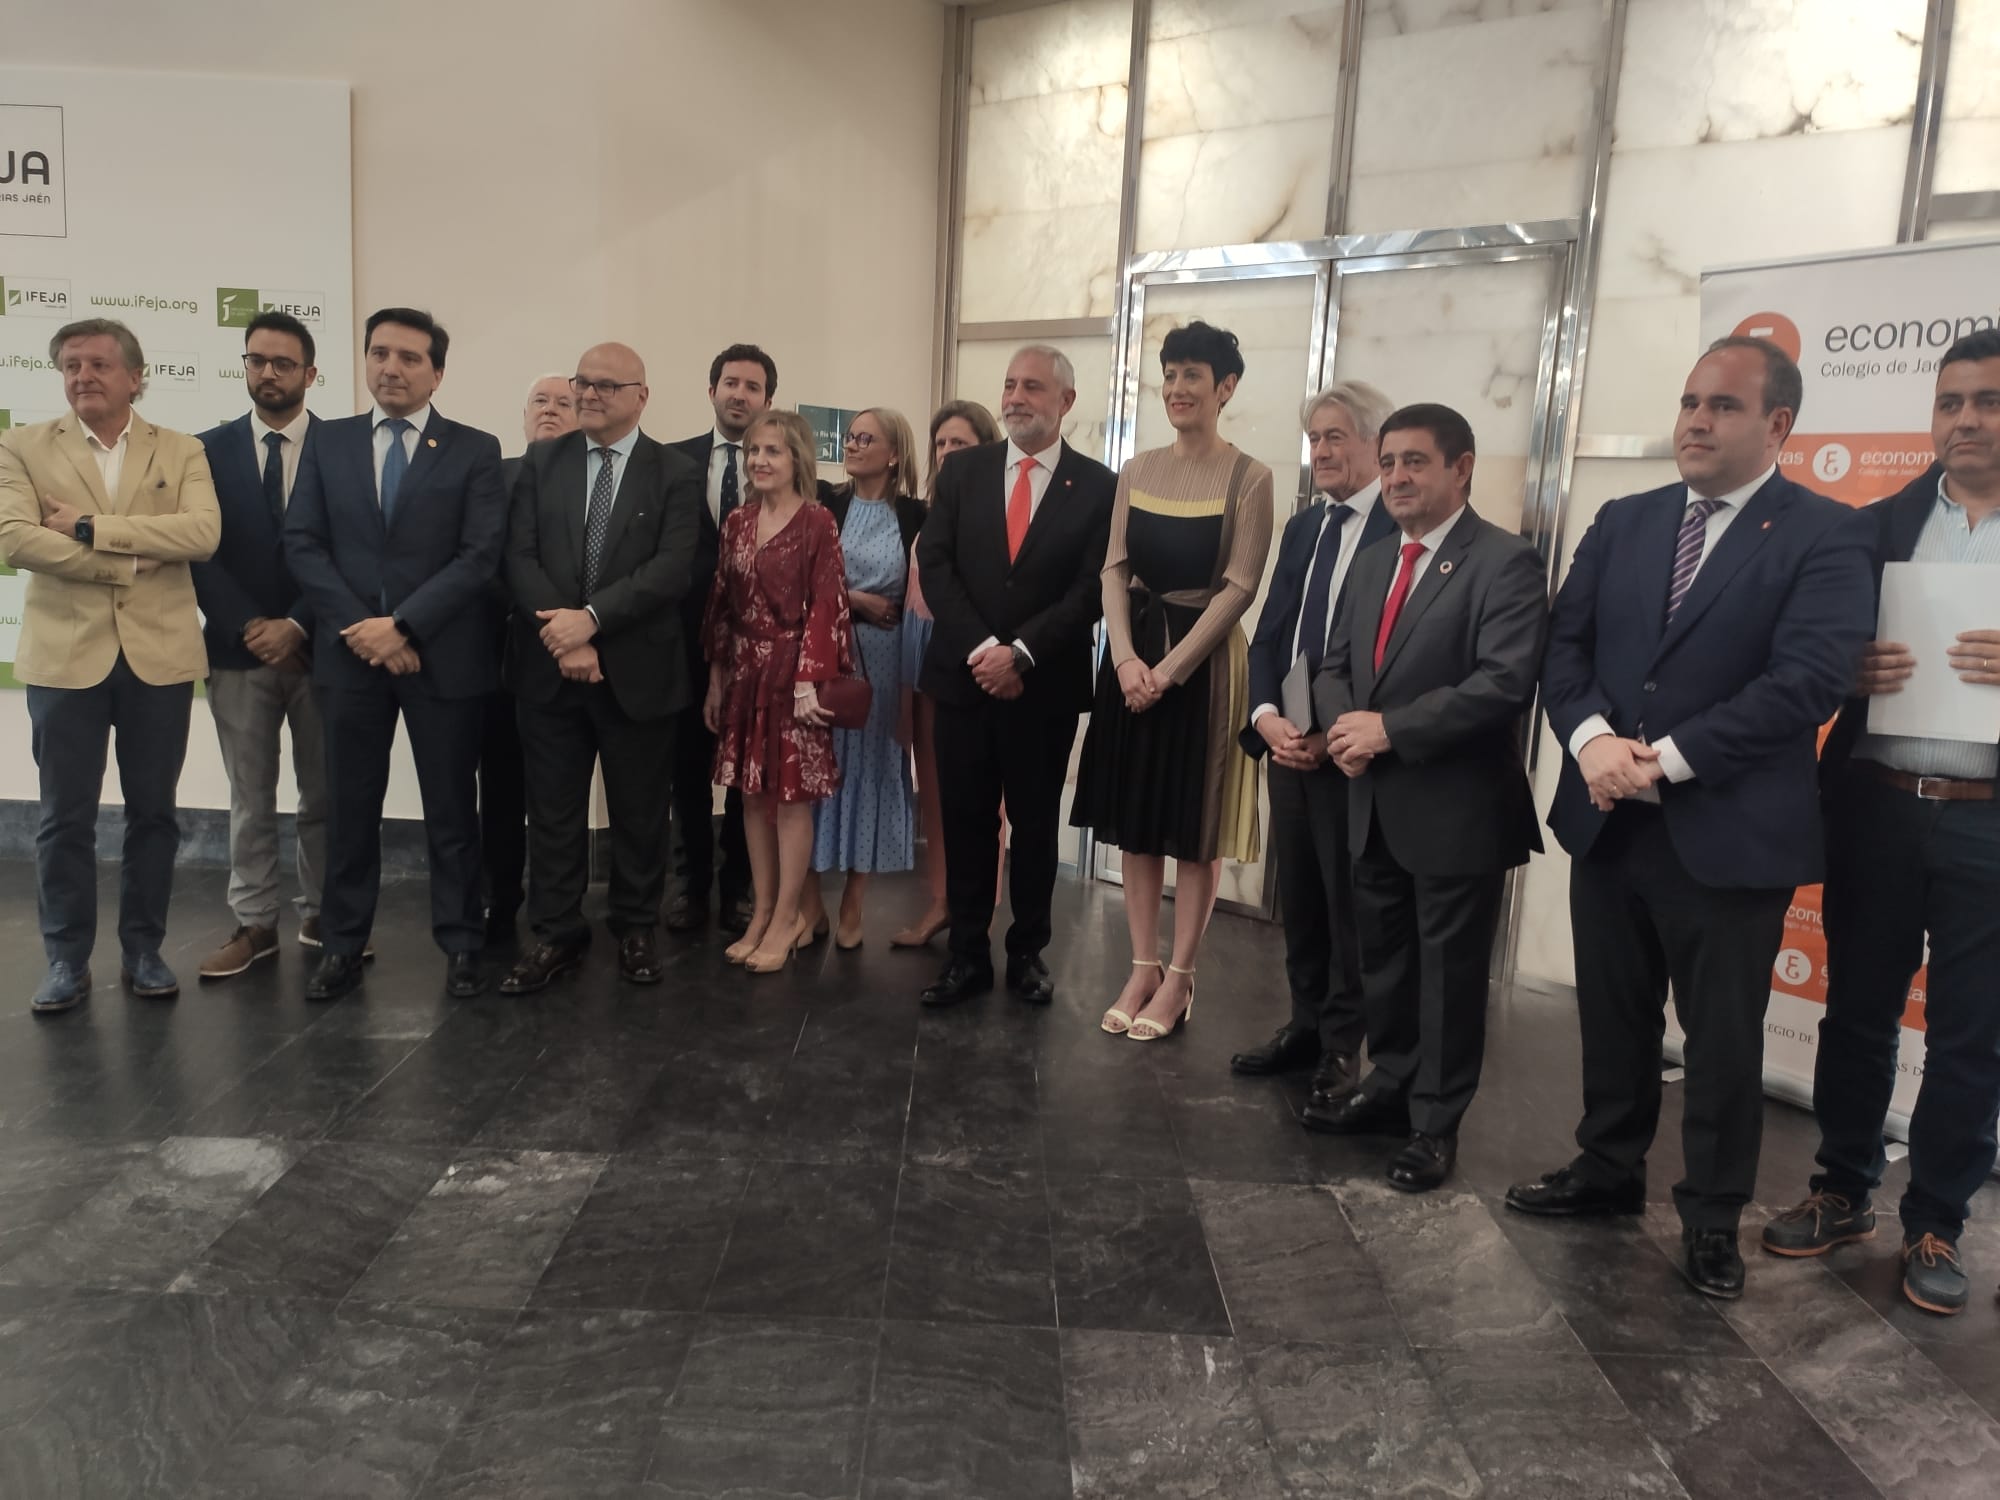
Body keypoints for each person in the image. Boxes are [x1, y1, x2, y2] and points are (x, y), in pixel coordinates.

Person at [1506, 337, 1875, 1301]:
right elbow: (1565, 649)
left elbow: (1806, 684)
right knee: (1615, 1018)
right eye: (1687, 402)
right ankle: (1607, 1168)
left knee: (1720, 1041)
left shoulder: (1826, 535)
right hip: (1609, 822)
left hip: (1727, 833)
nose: (1696, 422)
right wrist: (1591, 744)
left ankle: (1712, 1215)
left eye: (1721, 406)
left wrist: (1658, 765)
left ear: (1778, 426)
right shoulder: (1625, 520)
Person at [1761, 328, 2000, 1317]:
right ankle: (1840, 1189)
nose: (1965, 420)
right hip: (1874, 805)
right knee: (1856, 1014)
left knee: (1968, 1037)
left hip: (1986, 823)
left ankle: (1935, 1218)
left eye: (1985, 401)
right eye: (1948, 402)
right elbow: (1809, 644)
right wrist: (1843, 670)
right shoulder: (1870, 524)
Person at [1308, 404, 1547, 1191]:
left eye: (1415, 462)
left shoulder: (1505, 561)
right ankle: (1393, 1085)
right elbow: (1333, 658)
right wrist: (1346, 728)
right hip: (1370, 797)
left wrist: (1388, 731)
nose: (1398, 478)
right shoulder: (1377, 557)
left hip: (1454, 809)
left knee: (1448, 975)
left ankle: (1437, 1125)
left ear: (1461, 467)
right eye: (1389, 465)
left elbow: (1503, 682)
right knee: (1386, 963)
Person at [284, 307, 508, 1003]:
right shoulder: (332, 443)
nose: (392, 367)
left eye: (411, 358)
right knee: (351, 810)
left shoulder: (474, 449)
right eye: (380, 353)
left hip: (444, 659)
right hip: (350, 660)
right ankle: (343, 945)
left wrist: (404, 627)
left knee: (450, 811)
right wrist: (365, 629)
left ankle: (463, 943)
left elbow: (478, 558)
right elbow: (302, 544)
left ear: (437, 372)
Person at [0, 318, 220, 1014]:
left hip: (159, 657)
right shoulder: (22, 445)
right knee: (64, 817)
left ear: (134, 375)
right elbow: (15, 538)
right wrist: (128, 561)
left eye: (97, 364)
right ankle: (66, 960)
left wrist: (92, 527)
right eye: (70, 365)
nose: (82, 376)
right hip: (64, 660)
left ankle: (144, 950)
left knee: (154, 813)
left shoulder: (181, 449)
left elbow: (202, 533)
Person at [1072, 321, 1274, 1040]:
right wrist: (1125, 659)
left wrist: (1167, 669)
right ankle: (1141, 964)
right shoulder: (1137, 468)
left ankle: (1181, 977)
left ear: (1226, 388)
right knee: (1135, 819)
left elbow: (1240, 587)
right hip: (1133, 659)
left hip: (1206, 665)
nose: (1178, 388)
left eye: (1194, 375)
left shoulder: (1251, 476)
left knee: (1194, 826)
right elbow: (1113, 569)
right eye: (1170, 373)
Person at [914, 345, 1116, 1007]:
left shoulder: (1097, 486)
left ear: (1067, 401)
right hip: (965, 680)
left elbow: (1091, 589)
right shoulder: (963, 472)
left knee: (1034, 826)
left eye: (1033, 386)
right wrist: (985, 651)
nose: (1016, 397)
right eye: (1009, 385)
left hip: (1043, 686)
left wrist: (1022, 653)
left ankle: (1027, 952)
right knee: (967, 820)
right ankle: (966, 955)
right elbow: (936, 567)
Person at [498, 344, 702, 994]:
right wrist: (565, 636)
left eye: (604, 386)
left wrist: (591, 620)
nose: (587, 395)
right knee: (552, 813)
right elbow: (519, 558)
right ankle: (556, 932)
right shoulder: (540, 461)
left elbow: (673, 569)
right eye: (582, 382)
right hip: (549, 669)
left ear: (641, 395)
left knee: (641, 813)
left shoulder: (674, 471)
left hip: (638, 674)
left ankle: (635, 928)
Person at [1232, 380, 1398, 1112]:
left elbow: (1408, 654)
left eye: (1336, 437)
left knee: (1347, 907)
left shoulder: (1404, 525)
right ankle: (1304, 1026)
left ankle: (1341, 1046)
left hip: (1356, 753)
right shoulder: (1306, 527)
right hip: (1288, 742)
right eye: (1315, 439)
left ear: (1375, 444)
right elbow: (1270, 634)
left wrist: (1338, 733)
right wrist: (1267, 717)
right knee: (1296, 898)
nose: (1322, 451)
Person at [190, 311, 328, 979]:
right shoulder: (202, 450)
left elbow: (352, 550)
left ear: (310, 372)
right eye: (256, 360)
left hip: (324, 648)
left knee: (325, 793)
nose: (267, 372)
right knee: (251, 797)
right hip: (237, 651)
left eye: (281, 362)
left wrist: (297, 623)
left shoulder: (345, 448)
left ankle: (325, 912)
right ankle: (254, 923)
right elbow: (197, 553)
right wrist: (253, 626)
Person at [701, 409, 854, 973]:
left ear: (797, 460)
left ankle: (791, 915)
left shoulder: (817, 522)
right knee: (750, 796)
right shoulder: (737, 522)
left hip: (795, 680)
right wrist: (717, 676)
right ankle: (763, 912)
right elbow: (721, 604)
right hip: (745, 672)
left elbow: (829, 606)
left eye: (773, 451)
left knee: (790, 801)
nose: (760, 461)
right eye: (753, 452)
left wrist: (811, 679)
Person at [800, 409, 926, 948]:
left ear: (894, 454)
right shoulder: (826, 503)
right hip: (825, 656)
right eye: (850, 436)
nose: (852, 444)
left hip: (887, 663)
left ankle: (853, 903)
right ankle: (808, 905)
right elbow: (801, 578)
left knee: (872, 774)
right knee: (809, 775)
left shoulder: (915, 516)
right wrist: (854, 602)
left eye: (865, 438)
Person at [668, 344, 776, 937]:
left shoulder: (781, 466)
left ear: (767, 400)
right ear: (711, 390)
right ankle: (689, 885)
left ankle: (740, 886)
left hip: (759, 649)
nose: (740, 393)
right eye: (730, 382)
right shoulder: (669, 462)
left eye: (752, 386)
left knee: (747, 774)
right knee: (684, 770)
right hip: (682, 644)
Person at [893, 399, 1003, 948]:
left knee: (981, 798)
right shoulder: (932, 507)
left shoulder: (994, 508)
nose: (947, 453)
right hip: (921, 652)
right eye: (940, 444)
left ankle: (973, 910)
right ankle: (943, 899)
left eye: (960, 443)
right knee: (933, 788)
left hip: (968, 655)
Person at [484, 374, 579, 945]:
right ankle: (498, 898)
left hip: (576, 655)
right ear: (523, 416)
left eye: (563, 402)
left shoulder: (595, 481)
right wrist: (539, 613)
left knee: (557, 797)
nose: (550, 410)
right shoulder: (494, 477)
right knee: (498, 788)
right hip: (503, 657)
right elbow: (483, 557)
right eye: (540, 401)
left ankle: (555, 911)